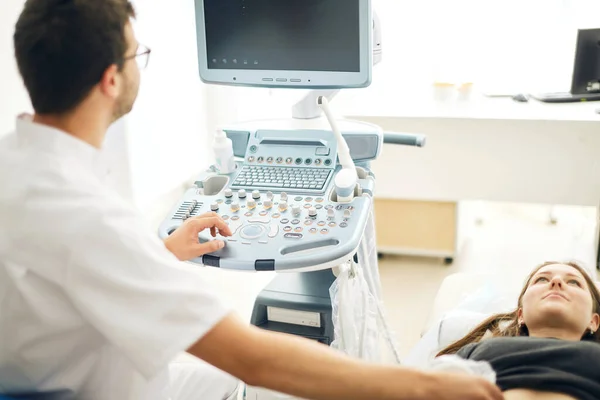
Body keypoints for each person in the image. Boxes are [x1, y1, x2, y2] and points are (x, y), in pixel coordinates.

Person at [0, 1, 504, 400]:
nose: (140, 66)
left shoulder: (16, 163)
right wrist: (425, 386)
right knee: (259, 386)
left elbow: (64, 270)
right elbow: (252, 357)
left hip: (46, 369)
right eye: (138, 55)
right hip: (92, 388)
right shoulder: (91, 215)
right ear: (111, 79)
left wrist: (161, 254)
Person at [437, 261, 600, 400]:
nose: (556, 282)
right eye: (542, 279)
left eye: (573, 282)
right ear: (520, 315)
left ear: (593, 322)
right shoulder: (476, 351)